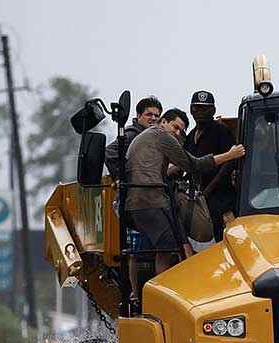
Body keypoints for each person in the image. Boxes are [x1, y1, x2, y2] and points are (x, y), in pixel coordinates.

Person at [125, 108, 245, 294]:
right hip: (151, 200)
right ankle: (165, 294)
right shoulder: (161, 136)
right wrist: (230, 155)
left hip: (141, 200)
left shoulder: (147, 137)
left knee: (173, 245)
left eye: (181, 130)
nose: (177, 132)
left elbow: (162, 169)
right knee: (170, 248)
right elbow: (194, 164)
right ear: (163, 122)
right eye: (175, 127)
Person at [183, 91, 237, 242]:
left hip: (221, 198)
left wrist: (209, 190)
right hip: (200, 199)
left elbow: (231, 161)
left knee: (225, 239)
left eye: (205, 108)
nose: (200, 112)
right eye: (196, 108)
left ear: (213, 111)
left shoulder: (221, 131)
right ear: (191, 110)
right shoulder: (191, 136)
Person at [104, 96, 161, 178]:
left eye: (156, 116)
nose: (153, 118)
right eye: (149, 114)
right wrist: (122, 177)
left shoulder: (154, 137)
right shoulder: (133, 135)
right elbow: (110, 151)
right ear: (139, 116)